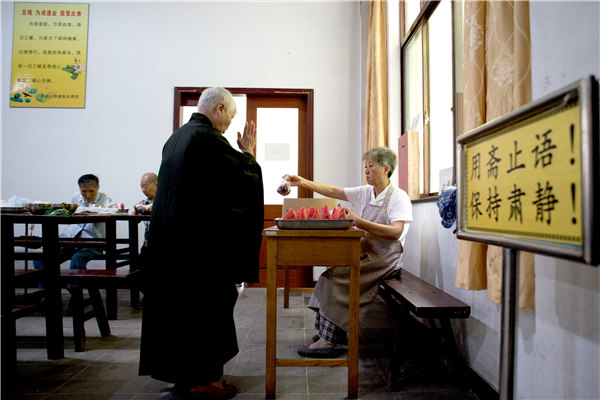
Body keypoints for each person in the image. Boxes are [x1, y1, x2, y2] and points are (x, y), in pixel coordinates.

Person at [139, 87, 264, 399]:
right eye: (230, 118)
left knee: (176, 313)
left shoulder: (177, 138)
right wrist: (248, 153)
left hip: (168, 247)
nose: (229, 126)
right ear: (219, 108)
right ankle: (207, 380)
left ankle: (182, 377)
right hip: (198, 250)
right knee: (209, 309)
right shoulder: (206, 138)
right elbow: (243, 179)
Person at [286, 147, 413, 358]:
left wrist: (359, 221)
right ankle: (331, 333)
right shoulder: (366, 192)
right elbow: (334, 191)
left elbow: (396, 232)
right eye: (365, 166)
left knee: (333, 280)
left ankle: (327, 342)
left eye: (371, 166)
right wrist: (303, 182)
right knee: (329, 277)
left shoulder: (398, 197)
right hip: (365, 253)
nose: (367, 170)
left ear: (386, 169)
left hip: (384, 260)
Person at [34, 173, 110, 271]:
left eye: (92, 191)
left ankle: (74, 286)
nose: (88, 195)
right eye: (84, 191)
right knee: (41, 259)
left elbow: (105, 212)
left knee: (77, 259)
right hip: (73, 240)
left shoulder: (104, 199)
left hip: (94, 242)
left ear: (98, 187)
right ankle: (48, 285)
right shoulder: (76, 197)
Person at [131, 172, 158, 250]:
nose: (143, 190)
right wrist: (136, 210)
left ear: (156, 184)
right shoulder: (143, 203)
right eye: (141, 187)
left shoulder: (165, 201)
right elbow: (133, 220)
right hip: (148, 245)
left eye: (145, 187)